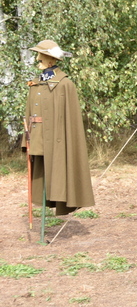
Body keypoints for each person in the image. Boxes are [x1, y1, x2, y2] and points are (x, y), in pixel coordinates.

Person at [24, 40, 95, 215]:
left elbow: (70, 124)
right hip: (38, 140)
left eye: (40, 54)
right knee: (41, 176)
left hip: (57, 140)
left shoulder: (64, 85)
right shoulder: (35, 84)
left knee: (58, 173)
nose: (37, 58)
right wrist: (26, 138)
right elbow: (29, 113)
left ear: (50, 59)